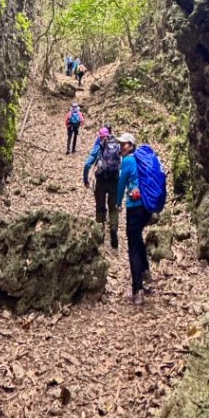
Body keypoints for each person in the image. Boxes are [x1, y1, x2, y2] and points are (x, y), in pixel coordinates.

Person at [116, 131, 152, 305]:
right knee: (137, 239)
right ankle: (145, 271)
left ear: (131, 145)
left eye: (124, 143)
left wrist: (117, 202)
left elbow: (121, 183)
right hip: (147, 207)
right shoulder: (141, 160)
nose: (121, 146)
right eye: (120, 143)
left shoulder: (128, 161)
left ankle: (137, 290)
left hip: (135, 206)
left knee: (133, 248)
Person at [83, 127, 121, 248]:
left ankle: (100, 232)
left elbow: (87, 164)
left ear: (100, 136)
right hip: (114, 181)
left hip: (101, 181)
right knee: (113, 207)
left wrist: (85, 179)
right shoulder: (117, 145)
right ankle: (113, 228)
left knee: (100, 206)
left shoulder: (99, 146)